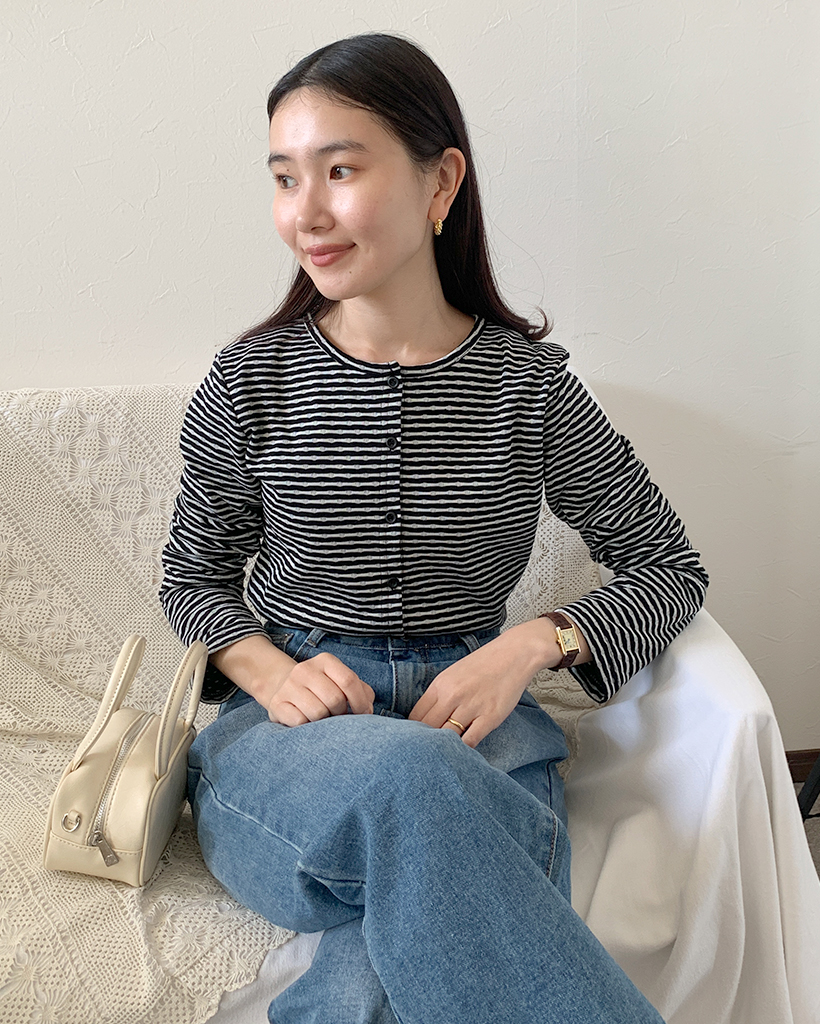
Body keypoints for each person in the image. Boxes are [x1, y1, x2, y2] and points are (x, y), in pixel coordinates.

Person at [160, 32, 708, 1024]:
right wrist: (269, 671)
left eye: (339, 170)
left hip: (484, 736)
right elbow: (191, 579)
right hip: (288, 753)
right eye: (284, 178)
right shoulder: (250, 383)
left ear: (440, 181)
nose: (305, 212)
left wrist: (530, 645)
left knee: (374, 980)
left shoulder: (529, 388)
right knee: (414, 782)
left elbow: (667, 564)